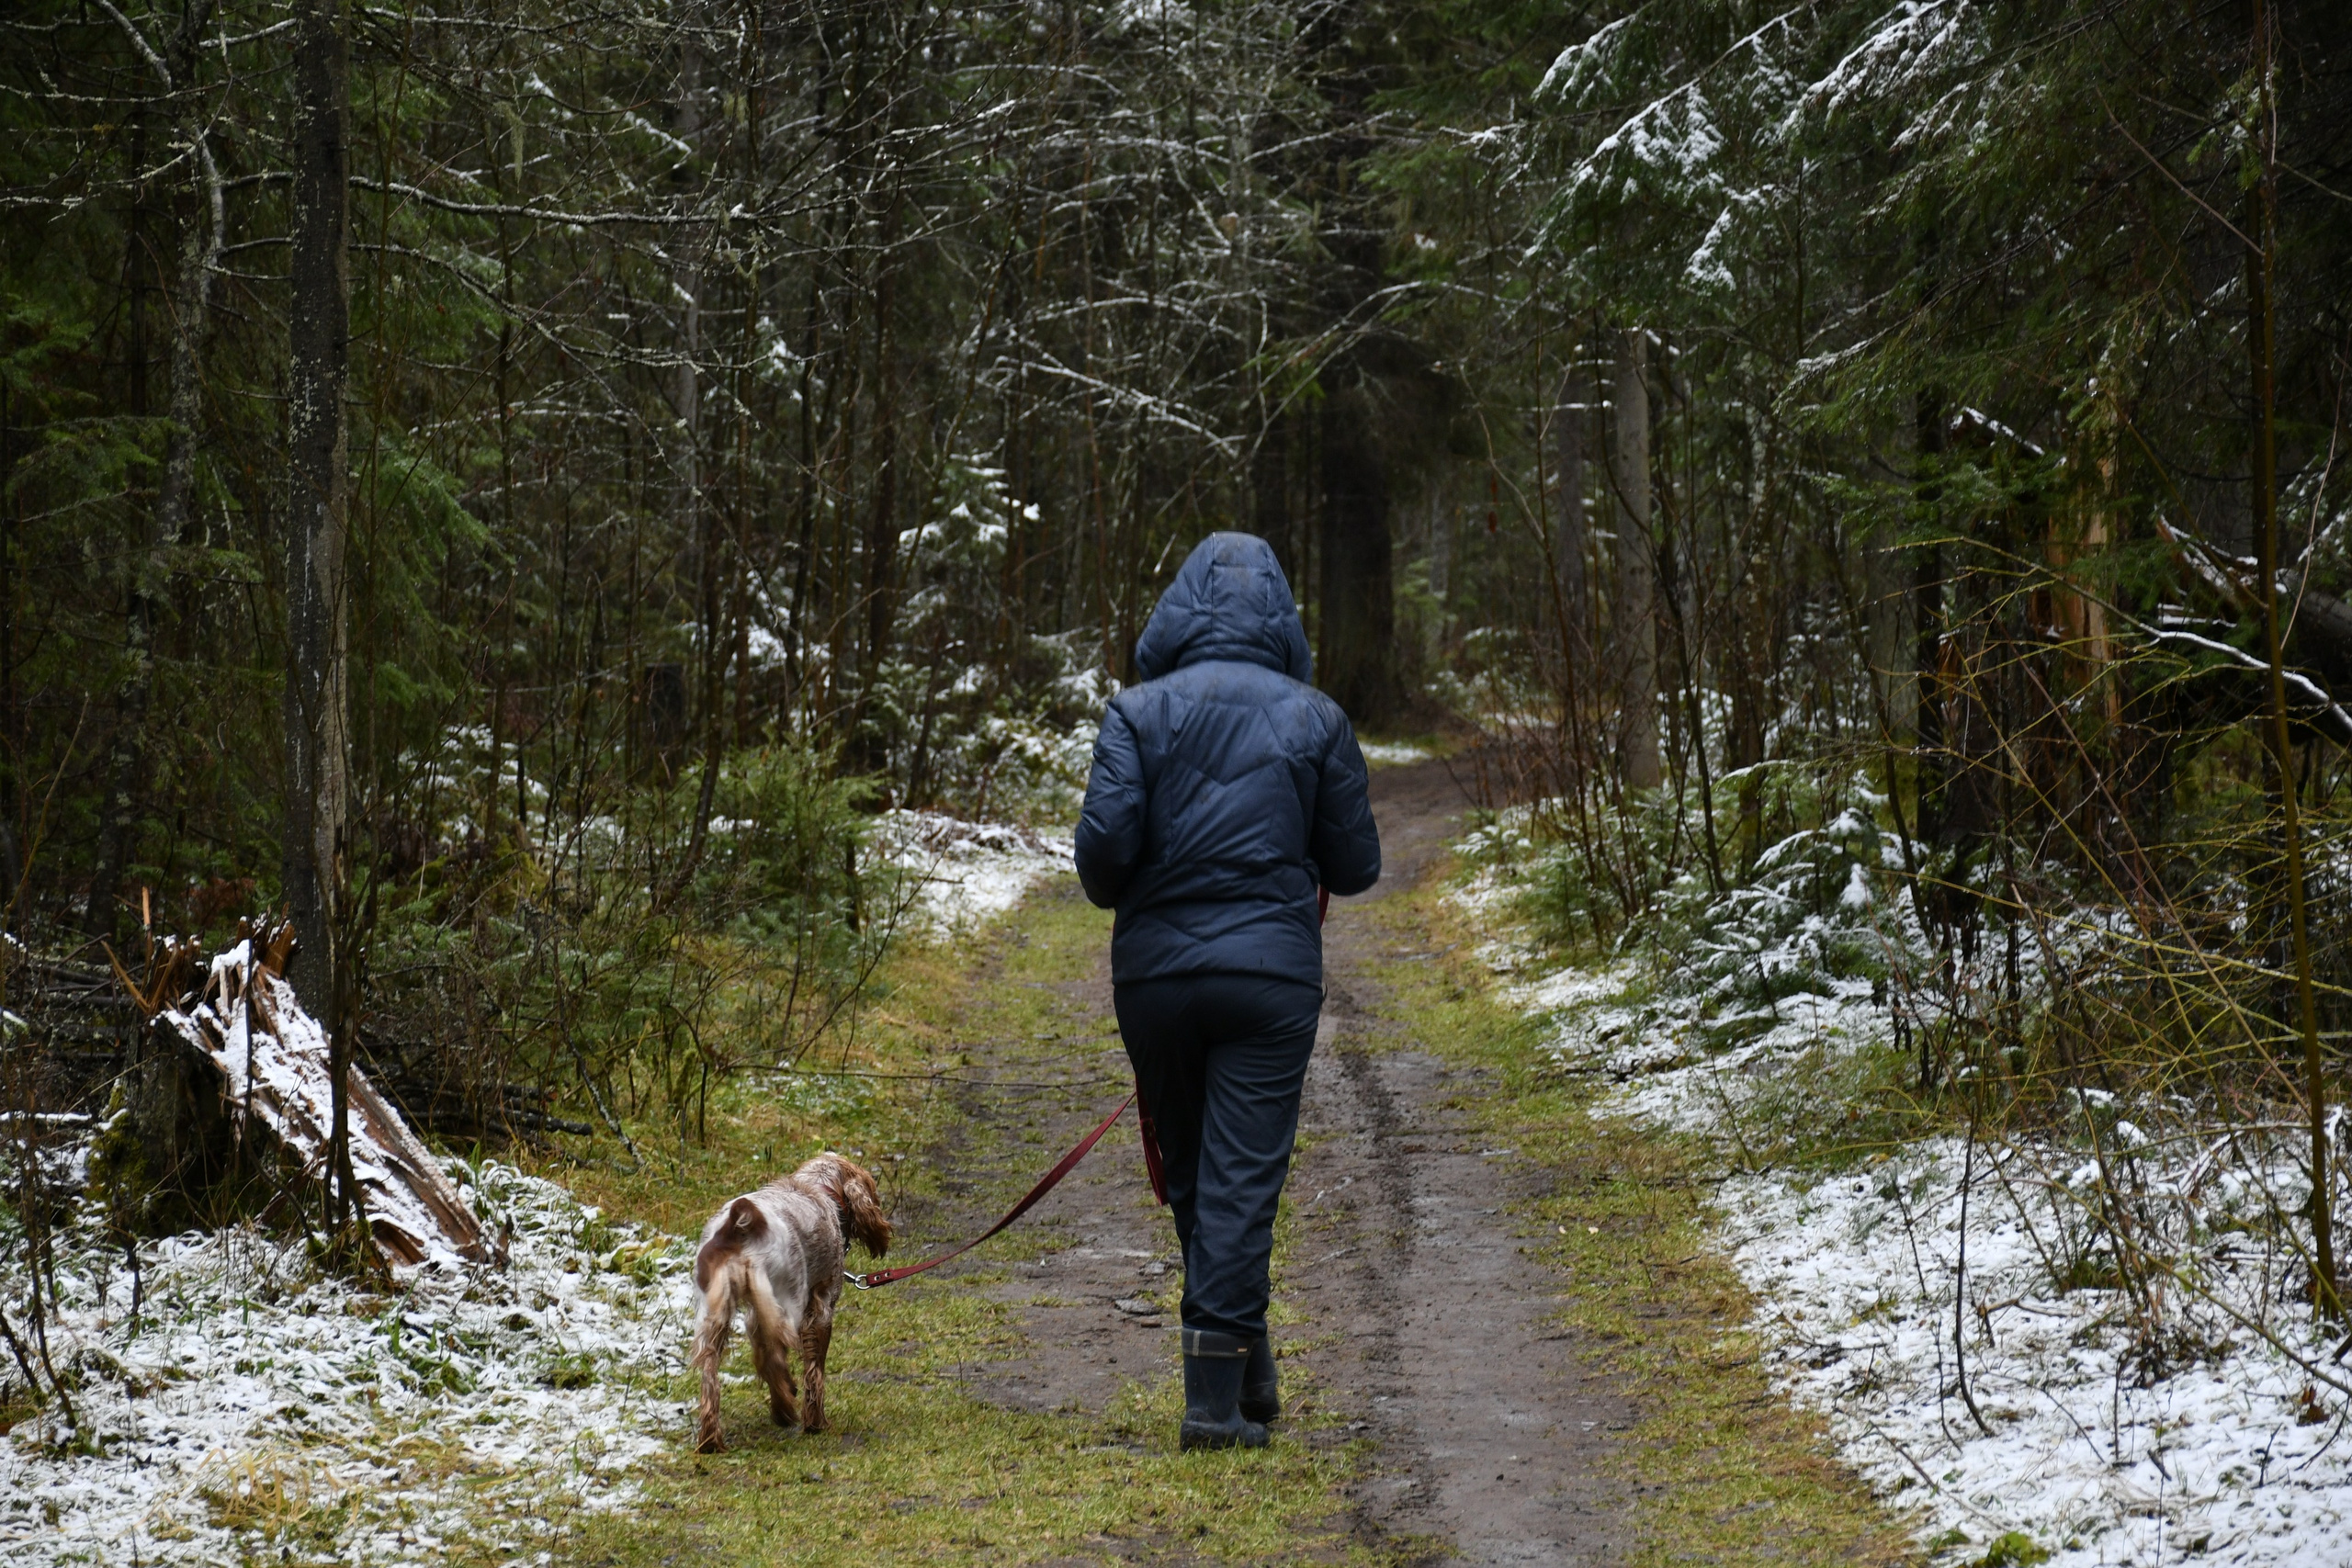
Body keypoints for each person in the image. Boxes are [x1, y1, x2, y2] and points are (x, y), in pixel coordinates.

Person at [1074, 532, 1381, 1451]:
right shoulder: (1316, 718)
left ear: (1178, 614)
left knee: (1195, 1170)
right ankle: (1214, 1399)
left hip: (1157, 980)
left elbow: (1101, 866)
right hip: (1269, 980)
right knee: (1241, 1179)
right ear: (1281, 618)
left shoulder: (1133, 715)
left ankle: (1237, 1361)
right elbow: (1356, 863)